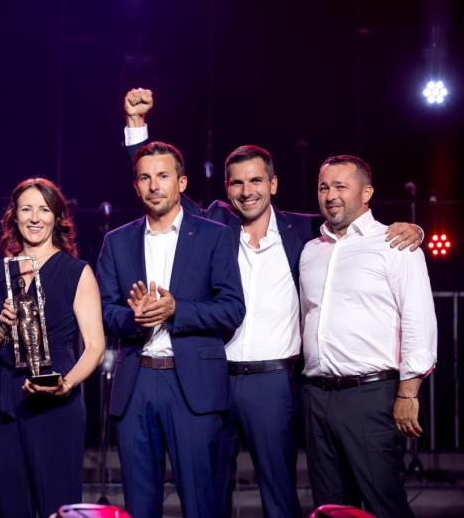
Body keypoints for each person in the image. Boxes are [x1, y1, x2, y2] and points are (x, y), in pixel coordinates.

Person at [122, 88, 424, 518]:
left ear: (274, 184)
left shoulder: (306, 233)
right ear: (227, 188)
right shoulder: (212, 225)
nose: (248, 192)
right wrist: (137, 127)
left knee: (280, 495)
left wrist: (413, 229)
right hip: (214, 378)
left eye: (257, 181)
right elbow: (160, 190)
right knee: (211, 491)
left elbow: (353, 223)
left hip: (275, 384)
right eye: (238, 183)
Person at [97, 140, 246, 517]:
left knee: (201, 504)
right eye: (145, 177)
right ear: (136, 186)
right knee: (140, 505)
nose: (154, 185)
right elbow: (104, 311)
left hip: (192, 386)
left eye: (163, 176)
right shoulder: (117, 242)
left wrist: (176, 309)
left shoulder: (213, 235)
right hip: (137, 383)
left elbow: (232, 308)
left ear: (181, 183)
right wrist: (135, 318)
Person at [300, 155, 437, 518]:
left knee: (383, 504)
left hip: (370, 395)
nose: (331, 195)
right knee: (330, 509)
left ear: (367, 193)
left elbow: (419, 320)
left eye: (341, 186)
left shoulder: (394, 243)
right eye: (324, 187)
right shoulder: (310, 251)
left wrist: (409, 392)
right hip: (317, 397)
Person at [0, 178, 105, 518]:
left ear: (57, 217)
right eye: (26, 209)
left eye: (44, 209)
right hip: (6, 400)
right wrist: (2, 328)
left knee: (57, 506)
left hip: (55, 398)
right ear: (14, 216)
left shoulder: (77, 272)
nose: (35, 218)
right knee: (11, 507)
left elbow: (94, 346)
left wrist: (66, 384)